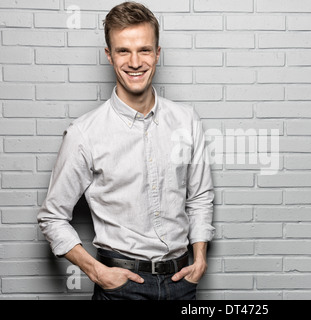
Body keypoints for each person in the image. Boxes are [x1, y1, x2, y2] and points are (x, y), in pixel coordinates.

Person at [37, 1, 215, 300]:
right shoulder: (84, 134)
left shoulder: (187, 120)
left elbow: (199, 197)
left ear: (158, 53)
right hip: (120, 287)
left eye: (144, 50)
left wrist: (199, 258)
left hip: (183, 282)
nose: (135, 62)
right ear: (109, 55)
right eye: (123, 51)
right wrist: (97, 272)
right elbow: (52, 217)